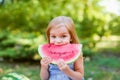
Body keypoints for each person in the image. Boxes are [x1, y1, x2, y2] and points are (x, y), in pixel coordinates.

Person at [39, 16, 84, 80]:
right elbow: (44, 78)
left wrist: (67, 71)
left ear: (71, 37)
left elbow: (79, 77)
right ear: (49, 37)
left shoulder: (77, 52)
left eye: (63, 36)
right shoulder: (48, 53)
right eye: (53, 36)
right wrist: (43, 67)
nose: (58, 41)